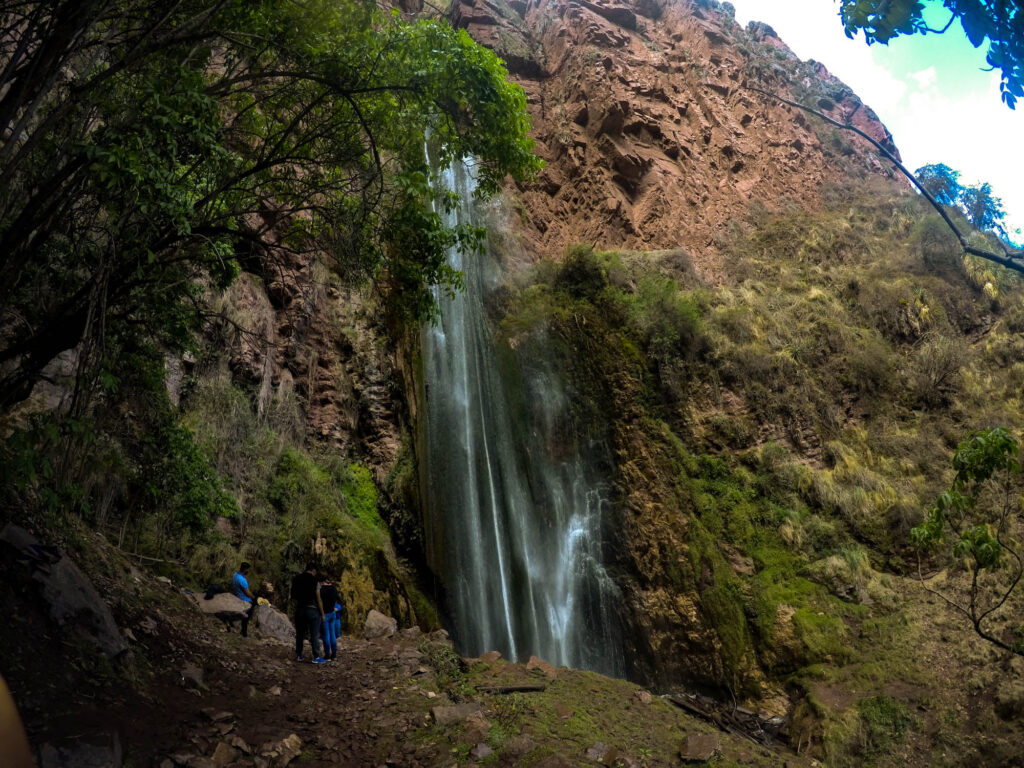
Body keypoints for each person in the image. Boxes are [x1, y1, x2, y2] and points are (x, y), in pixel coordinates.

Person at [290, 562, 326, 663]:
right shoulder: (315, 581)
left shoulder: (296, 579)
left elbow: (293, 596)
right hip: (312, 610)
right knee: (314, 634)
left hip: (300, 609)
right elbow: (318, 598)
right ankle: (316, 656)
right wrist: (322, 613)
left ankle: (299, 655)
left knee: (300, 634)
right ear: (313, 570)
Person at [232, 561, 257, 638]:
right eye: (248, 570)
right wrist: (254, 598)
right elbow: (247, 593)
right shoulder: (242, 580)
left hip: (237, 597)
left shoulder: (235, 575)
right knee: (247, 617)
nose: (248, 571)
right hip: (245, 600)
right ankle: (244, 634)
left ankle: (243, 632)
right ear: (245, 569)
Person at [319, 576, 342, 661]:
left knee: (326, 635)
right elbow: (337, 599)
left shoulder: (321, 590)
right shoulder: (333, 588)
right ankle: (334, 654)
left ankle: (328, 655)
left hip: (325, 614)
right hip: (332, 613)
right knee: (332, 634)